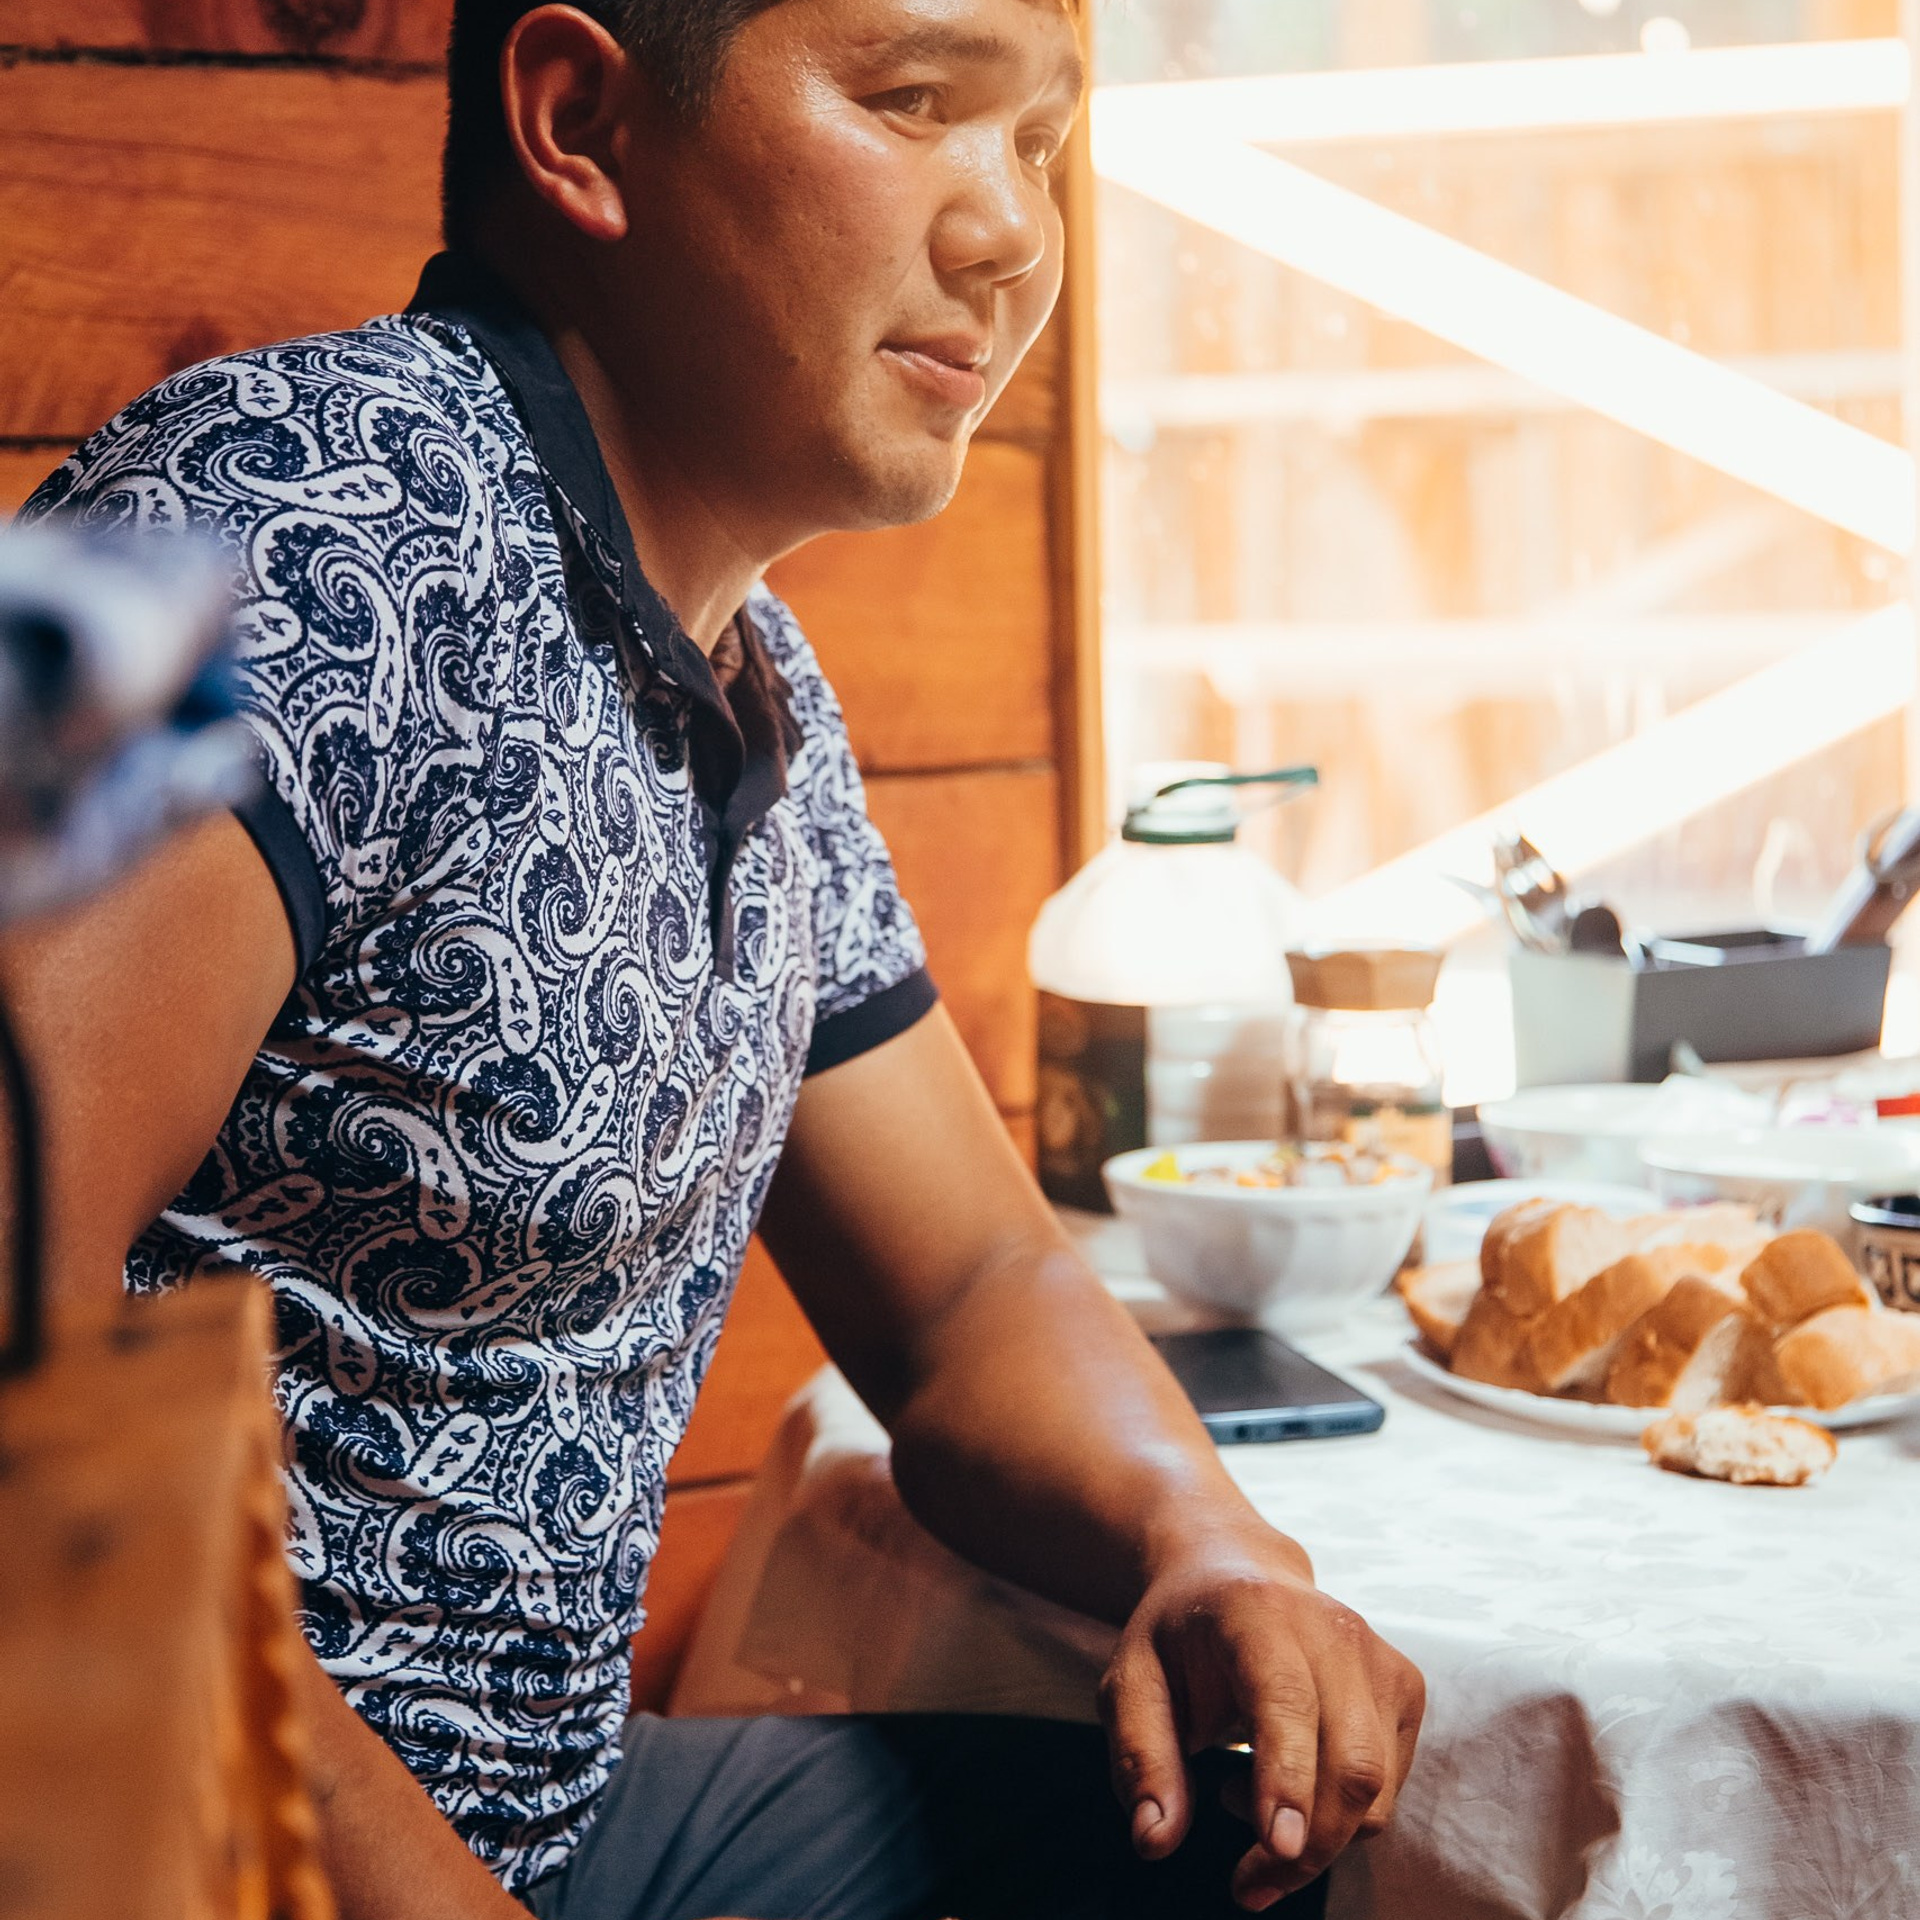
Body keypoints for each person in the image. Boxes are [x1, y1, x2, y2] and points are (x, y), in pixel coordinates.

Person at [11, 2, 1425, 1916]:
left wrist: (1209, 1539)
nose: (1010, 234)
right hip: (178, 1852)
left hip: (567, 1822)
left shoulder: (751, 680)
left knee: (1248, 1857)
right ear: (581, 119)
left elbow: (973, 1289)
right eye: (916, 103)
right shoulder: (270, 531)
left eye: (1042, 143)